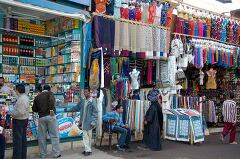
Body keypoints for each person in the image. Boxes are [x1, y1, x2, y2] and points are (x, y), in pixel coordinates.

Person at [65, 87, 98, 156]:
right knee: (85, 136)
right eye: (84, 92)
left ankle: (88, 150)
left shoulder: (92, 101)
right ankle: (87, 150)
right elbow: (76, 107)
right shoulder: (83, 101)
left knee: (89, 136)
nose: (85, 93)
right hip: (83, 122)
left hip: (90, 122)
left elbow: (95, 113)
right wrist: (68, 110)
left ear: (89, 92)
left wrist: (93, 122)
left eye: (86, 92)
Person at [32, 85, 61, 158]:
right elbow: (51, 100)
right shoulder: (50, 93)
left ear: (43, 89)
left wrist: (40, 109)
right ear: (49, 89)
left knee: (42, 137)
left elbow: (34, 109)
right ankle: (56, 153)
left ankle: (43, 154)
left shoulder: (37, 96)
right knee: (54, 135)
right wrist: (51, 110)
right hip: (50, 116)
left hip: (41, 117)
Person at [9, 84, 29, 159]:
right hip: (24, 120)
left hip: (19, 121)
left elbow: (20, 112)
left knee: (17, 141)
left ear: (18, 90)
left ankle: (17, 157)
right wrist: (13, 92)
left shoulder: (21, 99)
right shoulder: (24, 97)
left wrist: (11, 113)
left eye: (15, 90)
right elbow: (18, 97)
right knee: (23, 139)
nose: (15, 91)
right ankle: (22, 156)